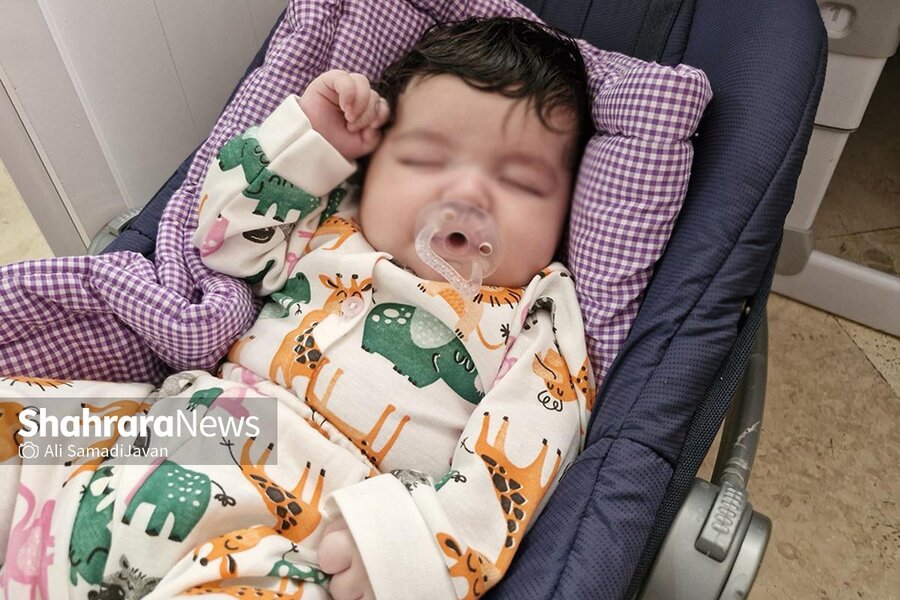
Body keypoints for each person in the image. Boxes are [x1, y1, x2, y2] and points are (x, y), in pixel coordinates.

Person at [0, 17, 595, 600]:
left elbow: (516, 462)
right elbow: (220, 245)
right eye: (428, 159)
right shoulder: (331, 219)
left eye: (520, 183)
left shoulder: (536, 313)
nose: (467, 197)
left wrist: (404, 551)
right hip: (182, 424)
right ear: (374, 166)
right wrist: (312, 148)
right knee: (21, 428)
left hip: (310, 520)